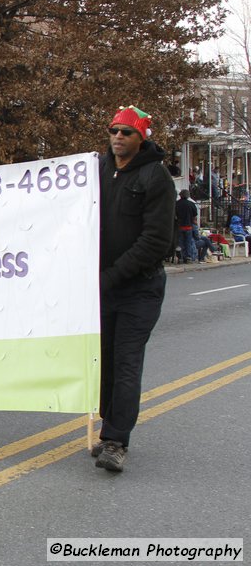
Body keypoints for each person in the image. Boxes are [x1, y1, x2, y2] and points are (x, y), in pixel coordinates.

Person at [95, 105, 174, 472]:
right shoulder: (97, 170)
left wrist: (110, 276)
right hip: (103, 289)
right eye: (114, 130)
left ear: (142, 138)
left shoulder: (156, 178)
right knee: (105, 362)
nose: (118, 137)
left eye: (126, 132)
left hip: (139, 289)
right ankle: (107, 426)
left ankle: (116, 441)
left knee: (126, 362)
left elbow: (155, 241)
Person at [175, 189, 198, 264]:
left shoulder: (176, 204)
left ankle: (181, 257)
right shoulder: (191, 204)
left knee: (180, 243)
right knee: (188, 242)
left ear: (180, 195)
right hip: (189, 226)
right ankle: (188, 257)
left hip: (180, 226)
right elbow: (194, 215)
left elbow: (174, 215)